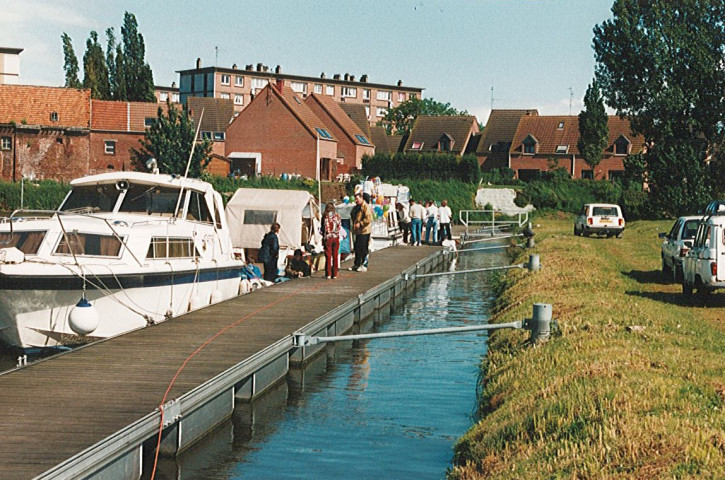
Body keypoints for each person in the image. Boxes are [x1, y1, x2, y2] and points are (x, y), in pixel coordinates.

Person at [349, 192, 372, 271]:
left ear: (362, 198)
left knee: (363, 248)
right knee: (357, 248)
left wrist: (360, 223)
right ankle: (357, 264)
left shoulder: (365, 207)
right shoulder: (356, 207)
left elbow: (369, 219)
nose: (356, 200)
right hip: (357, 231)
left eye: (357, 199)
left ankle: (364, 265)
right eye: (355, 199)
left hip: (364, 230)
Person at [321, 202, 342, 279]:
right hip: (336, 237)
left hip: (328, 238)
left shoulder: (325, 216)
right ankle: (335, 274)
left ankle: (328, 274)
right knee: (335, 255)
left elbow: (323, 228)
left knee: (328, 256)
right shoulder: (337, 216)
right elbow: (339, 226)